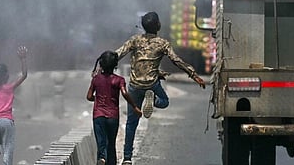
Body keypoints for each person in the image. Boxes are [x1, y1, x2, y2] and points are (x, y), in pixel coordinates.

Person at [115, 11, 206, 165]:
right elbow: (177, 61)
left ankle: (127, 158)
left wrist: (102, 67)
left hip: (135, 85)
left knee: (131, 123)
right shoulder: (163, 43)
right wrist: (194, 75)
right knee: (164, 101)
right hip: (152, 84)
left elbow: (118, 53)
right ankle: (154, 100)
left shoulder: (135, 40)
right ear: (158, 25)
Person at [87, 50, 142, 165]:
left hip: (98, 115)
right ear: (115, 65)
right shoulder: (119, 80)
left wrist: (97, 99)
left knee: (101, 143)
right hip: (113, 116)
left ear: (101, 64)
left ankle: (102, 158)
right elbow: (125, 93)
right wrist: (135, 107)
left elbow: (89, 97)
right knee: (111, 143)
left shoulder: (96, 79)